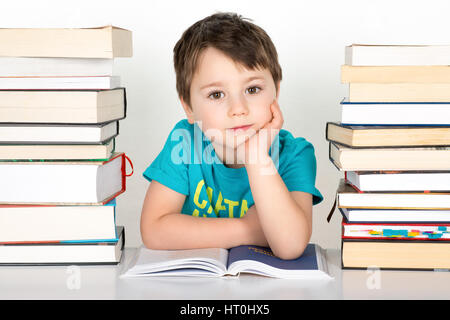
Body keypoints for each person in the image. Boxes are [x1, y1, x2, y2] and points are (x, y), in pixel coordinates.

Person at [140, 12, 323, 259]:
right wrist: (250, 229)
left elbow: (290, 246)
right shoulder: (184, 143)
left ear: (276, 92)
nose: (238, 109)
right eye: (216, 94)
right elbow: (154, 230)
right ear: (189, 108)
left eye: (252, 89)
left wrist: (258, 158)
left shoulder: (294, 154)